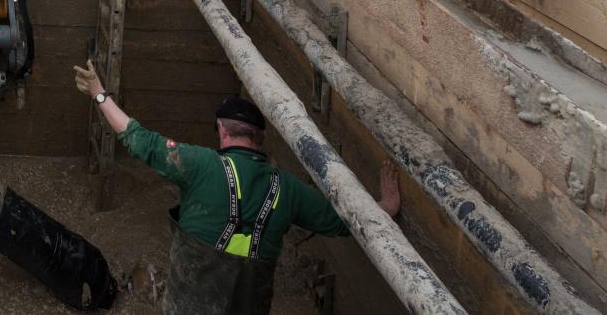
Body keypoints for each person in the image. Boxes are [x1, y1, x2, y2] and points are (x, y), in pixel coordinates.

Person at [75, 60, 401, 314]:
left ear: (221, 130)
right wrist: (386, 206)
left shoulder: (200, 164)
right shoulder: (288, 190)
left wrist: (99, 94)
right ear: (261, 138)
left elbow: (139, 140)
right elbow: (345, 222)